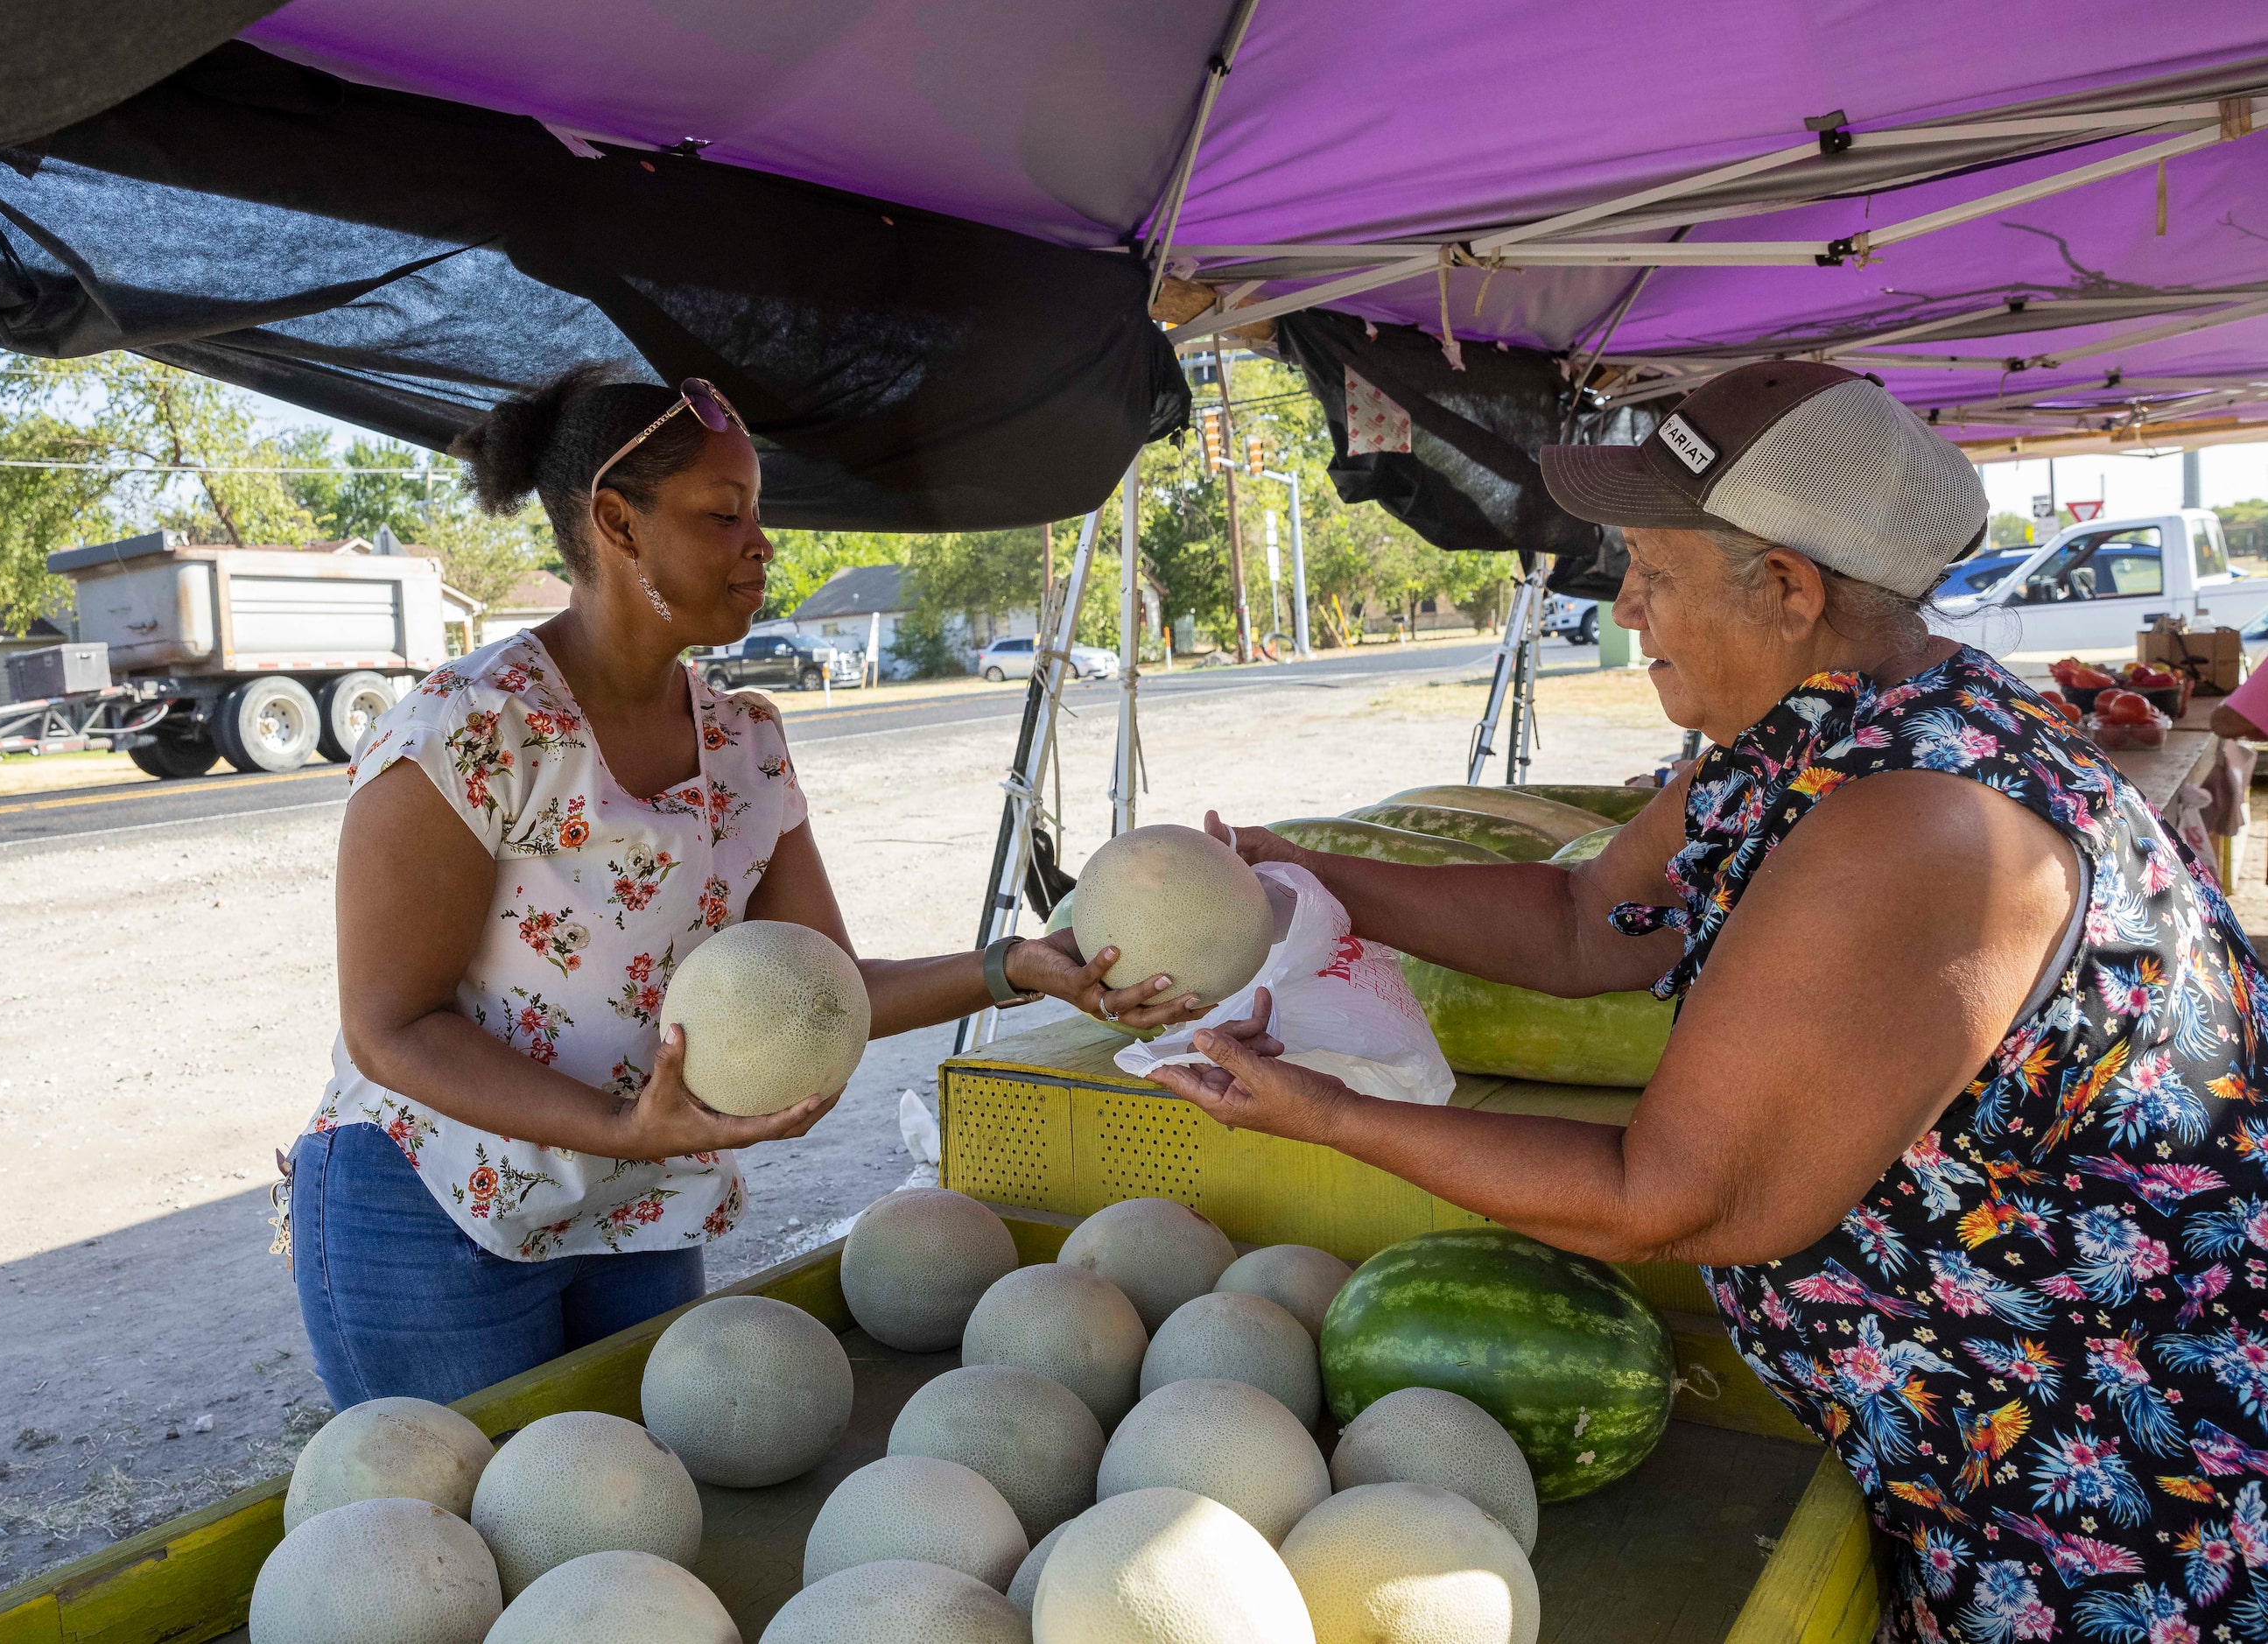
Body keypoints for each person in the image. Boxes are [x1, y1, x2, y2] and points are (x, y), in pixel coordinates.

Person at [1159, 362, 2268, 1643]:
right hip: (1999, 1450)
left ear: (1788, 588)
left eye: (1652, 567)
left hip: (2138, 1499)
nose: (1624, 605)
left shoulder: (1914, 830)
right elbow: (1589, 921)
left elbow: (1666, 1195)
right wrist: (1296, 875)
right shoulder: (1807, 737)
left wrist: (1326, 1112)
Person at [290, 367, 1203, 1409]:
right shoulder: (471, 728)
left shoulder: (745, 744)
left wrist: (1019, 968)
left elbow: (824, 986)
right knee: (455, 1534)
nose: (762, 545)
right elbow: (391, 1027)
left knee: (627, 1524)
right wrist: (624, 1127)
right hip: (432, 1207)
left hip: (639, 1201)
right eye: (724, 516)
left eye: (758, 514)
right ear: (616, 524)